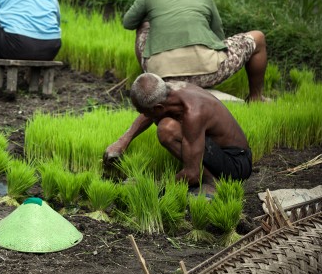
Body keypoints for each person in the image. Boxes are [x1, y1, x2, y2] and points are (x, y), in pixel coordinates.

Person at [123, 0, 268, 102]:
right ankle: (256, 97)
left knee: (143, 24)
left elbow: (128, 22)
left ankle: (150, 85)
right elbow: (219, 39)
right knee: (258, 37)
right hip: (208, 74)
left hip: (161, 76)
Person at [104, 73, 253, 195]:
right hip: (220, 151)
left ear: (158, 108)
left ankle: (212, 184)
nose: (142, 115)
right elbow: (149, 110)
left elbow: (192, 173)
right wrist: (123, 140)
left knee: (167, 129)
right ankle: (209, 179)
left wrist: (153, 185)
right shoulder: (167, 90)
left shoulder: (194, 113)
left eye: (143, 111)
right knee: (167, 125)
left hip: (236, 163)